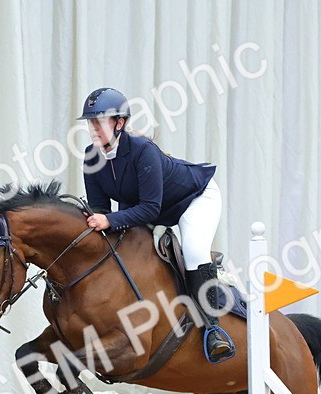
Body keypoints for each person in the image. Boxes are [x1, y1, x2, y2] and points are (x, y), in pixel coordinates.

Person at [77, 87, 235, 363]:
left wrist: (109, 220)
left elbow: (150, 207)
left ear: (120, 123)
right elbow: (101, 209)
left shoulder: (143, 151)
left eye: (99, 122)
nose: (93, 129)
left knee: (194, 251)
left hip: (193, 199)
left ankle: (214, 330)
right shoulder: (92, 157)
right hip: (148, 207)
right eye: (91, 122)